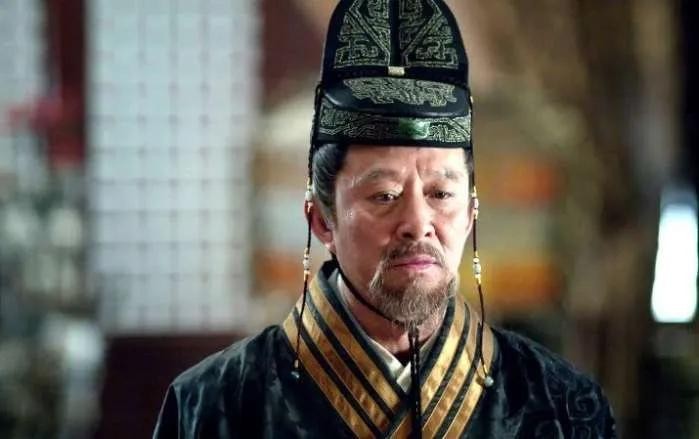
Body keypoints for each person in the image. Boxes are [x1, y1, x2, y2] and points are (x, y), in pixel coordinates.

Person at [153, 0, 616, 437]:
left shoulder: (561, 406)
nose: (418, 221)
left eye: (441, 194)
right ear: (321, 220)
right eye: (384, 195)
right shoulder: (213, 406)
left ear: (471, 215)